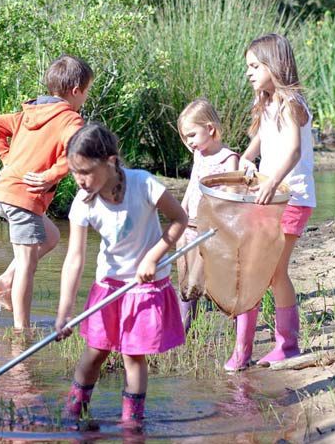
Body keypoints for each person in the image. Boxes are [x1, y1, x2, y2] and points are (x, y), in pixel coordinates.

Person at [55, 123, 188, 427]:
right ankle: (73, 415)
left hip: (145, 287)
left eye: (86, 171)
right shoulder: (83, 204)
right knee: (95, 353)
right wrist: (64, 313)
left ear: (111, 161)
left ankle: (132, 424)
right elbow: (74, 259)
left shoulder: (143, 184)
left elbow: (179, 218)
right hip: (109, 286)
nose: (80, 180)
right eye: (75, 172)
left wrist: (153, 257)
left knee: (133, 356)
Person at [224, 33, 316, 371]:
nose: (248, 72)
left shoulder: (292, 102)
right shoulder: (266, 102)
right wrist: (245, 159)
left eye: (254, 66)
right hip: (266, 196)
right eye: (247, 67)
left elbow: (292, 150)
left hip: (291, 196)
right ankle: (241, 351)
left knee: (275, 272)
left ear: (273, 66)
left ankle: (288, 345)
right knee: (251, 270)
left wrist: (274, 180)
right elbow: (261, 141)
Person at [0, 55, 91, 331]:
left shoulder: (30, 113)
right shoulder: (71, 120)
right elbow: (76, 154)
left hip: (4, 192)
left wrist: (7, 159)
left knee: (52, 236)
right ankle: (22, 329)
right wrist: (49, 175)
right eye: (87, 91)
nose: (86, 98)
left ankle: (5, 281)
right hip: (24, 199)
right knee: (27, 267)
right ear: (77, 90)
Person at [176, 98, 238, 330]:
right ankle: (185, 329)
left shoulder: (228, 158)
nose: (188, 142)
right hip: (189, 224)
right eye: (185, 137)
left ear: (210, 129)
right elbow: (193, 184)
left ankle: (230, 321)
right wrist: (181, 209)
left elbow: (232, 195)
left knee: (200, 280)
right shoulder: (199, 155)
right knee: (185, 280)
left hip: (210, 230)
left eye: (191, 135)